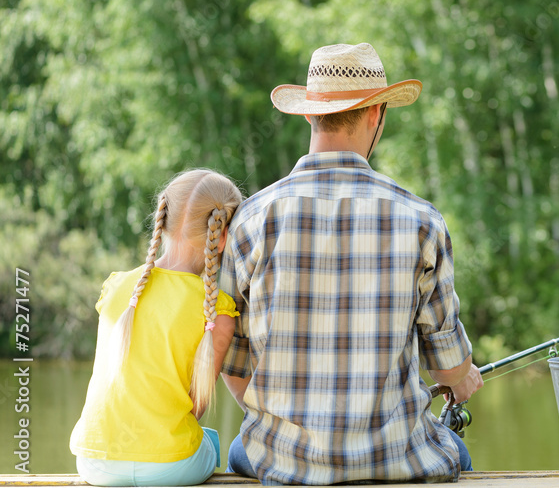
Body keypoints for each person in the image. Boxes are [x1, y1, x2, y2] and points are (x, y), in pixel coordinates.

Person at [220, 42, 483, 485]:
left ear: (308, 113)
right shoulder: (421, 221)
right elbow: (447, 367)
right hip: (397, 462)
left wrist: (294, 430)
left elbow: (233, 365)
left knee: (237, 447)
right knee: (456, 452)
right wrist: (464, 379)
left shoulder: (252, 218)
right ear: (376, 114)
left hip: (282, 462)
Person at [70, 169, 243, 486]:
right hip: (170, 468)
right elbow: (196, 406)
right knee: (211, 441)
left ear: (162, 221)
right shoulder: (217, 310)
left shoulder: (117, 288)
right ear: (222, 237)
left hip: (94, 461)